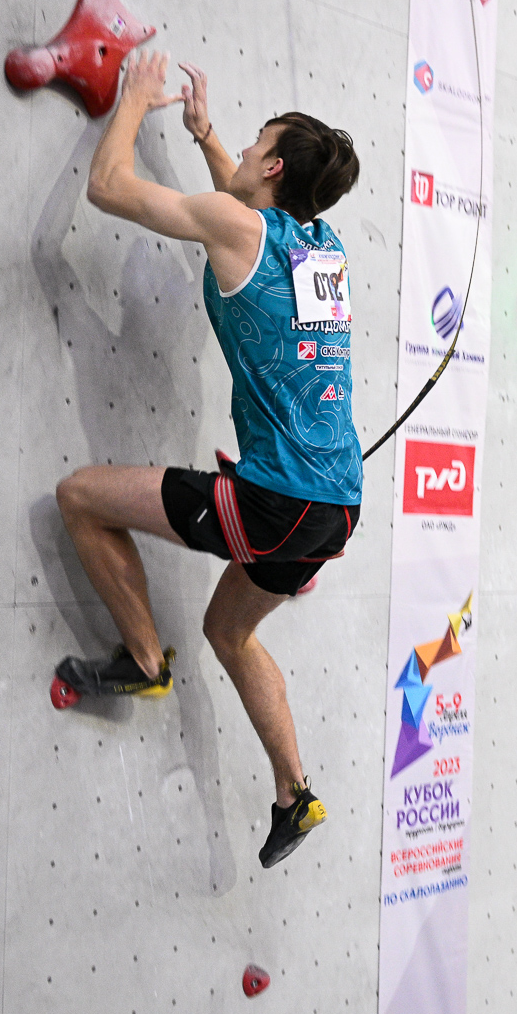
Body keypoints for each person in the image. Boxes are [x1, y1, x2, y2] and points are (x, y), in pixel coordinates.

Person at [56, 48, 363, 869]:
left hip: (278, 500)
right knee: (230, 631)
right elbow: (247, 199)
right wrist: (205, 136)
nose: (245, 149)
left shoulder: (242, 226)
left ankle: (145, 661)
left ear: (270, 166)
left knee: (81, 496)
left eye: (256, 138)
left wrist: (134, 99)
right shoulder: (321, 246)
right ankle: (294, 794)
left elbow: (109, 188)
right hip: (335, 509)